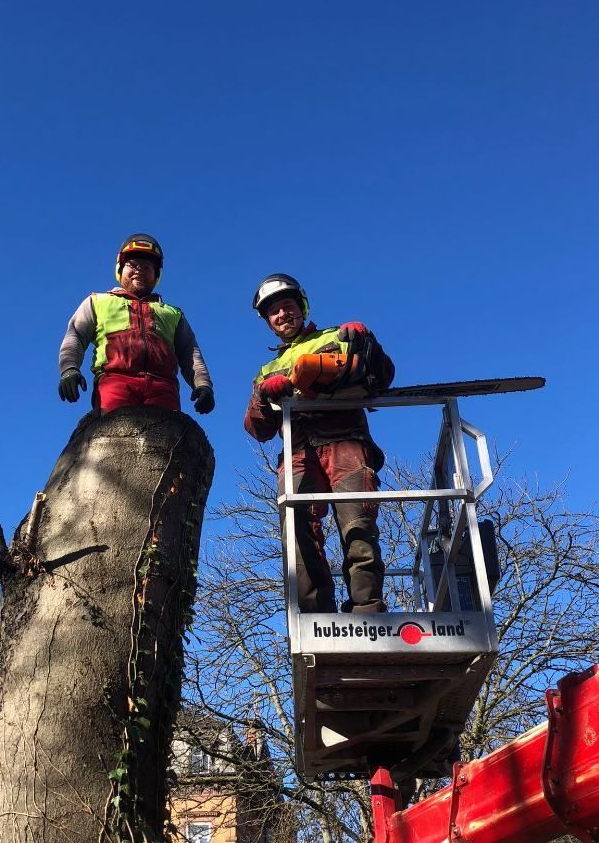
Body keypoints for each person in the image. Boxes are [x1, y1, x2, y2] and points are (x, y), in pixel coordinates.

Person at [244, 273, 395, 613]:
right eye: (274, 312)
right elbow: (257, 429)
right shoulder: (267, 369)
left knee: (358, 522)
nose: (283, 314)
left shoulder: (337, 337)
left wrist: (369, 343)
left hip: (346, 440)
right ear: (268, 321)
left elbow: (382, 377)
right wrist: (261, 395)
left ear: (302, 307)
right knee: (297, 530)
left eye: (287, 306)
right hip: (298, 450)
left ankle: (367, 607)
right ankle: (315, 614)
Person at [58, 234, 215, 416]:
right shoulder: (97, 301)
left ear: (156, 274)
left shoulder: (173, 313)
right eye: (132, 265)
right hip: (114, 383)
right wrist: (69, 369)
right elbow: (75, 335)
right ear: (120, 268)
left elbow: (190, 352)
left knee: (171, 439)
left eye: (147, 267)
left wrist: (203, 385)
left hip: (164, 387)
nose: (139, 270)